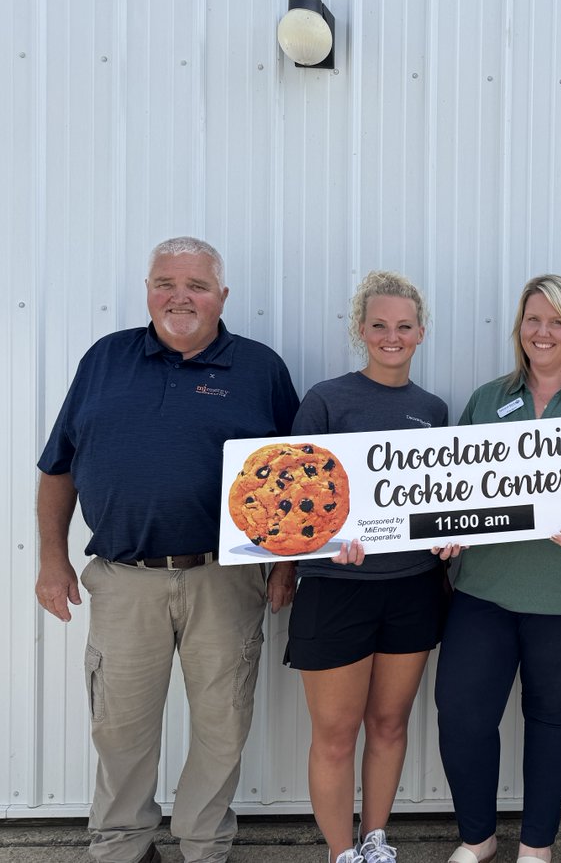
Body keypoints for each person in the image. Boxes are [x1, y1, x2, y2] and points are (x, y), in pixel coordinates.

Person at [34, 237, 300, 863]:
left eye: (197, 285)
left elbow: (296, 475)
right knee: (120, 728)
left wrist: (285, 564)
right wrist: (51, 558)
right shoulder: (104, 359)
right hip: (123, 579)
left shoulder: (261, 368)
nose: (180, 297)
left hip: (226, 577)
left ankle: (204, 846)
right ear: (148, 290)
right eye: (165, 283)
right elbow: (57, 466)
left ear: (222, 297)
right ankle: (121, 846)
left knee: (221, 724)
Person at [434, 274, 561, 863]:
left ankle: (536, 846)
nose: (543, 332)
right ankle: (477, 839)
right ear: (518, 328)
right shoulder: (487, 398)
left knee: (552, 717)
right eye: (533, 320)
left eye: (557, 321)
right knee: (462, 712)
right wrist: (446, 536)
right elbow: (452, 490)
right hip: (485, 588)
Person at [276, 272, 450, 863]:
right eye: (379, 325)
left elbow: (435, 501)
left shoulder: (433, 410)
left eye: (403, 326)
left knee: (390, 724)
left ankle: (375, 840)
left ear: (421, 333)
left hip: (412, 589)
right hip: (337, 588)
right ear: (360, 330)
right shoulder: (327, 399)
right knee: (334, 735)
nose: (391, 336)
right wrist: (327, 542)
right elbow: (294, 498)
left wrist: (449, 537)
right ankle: (339, 852)